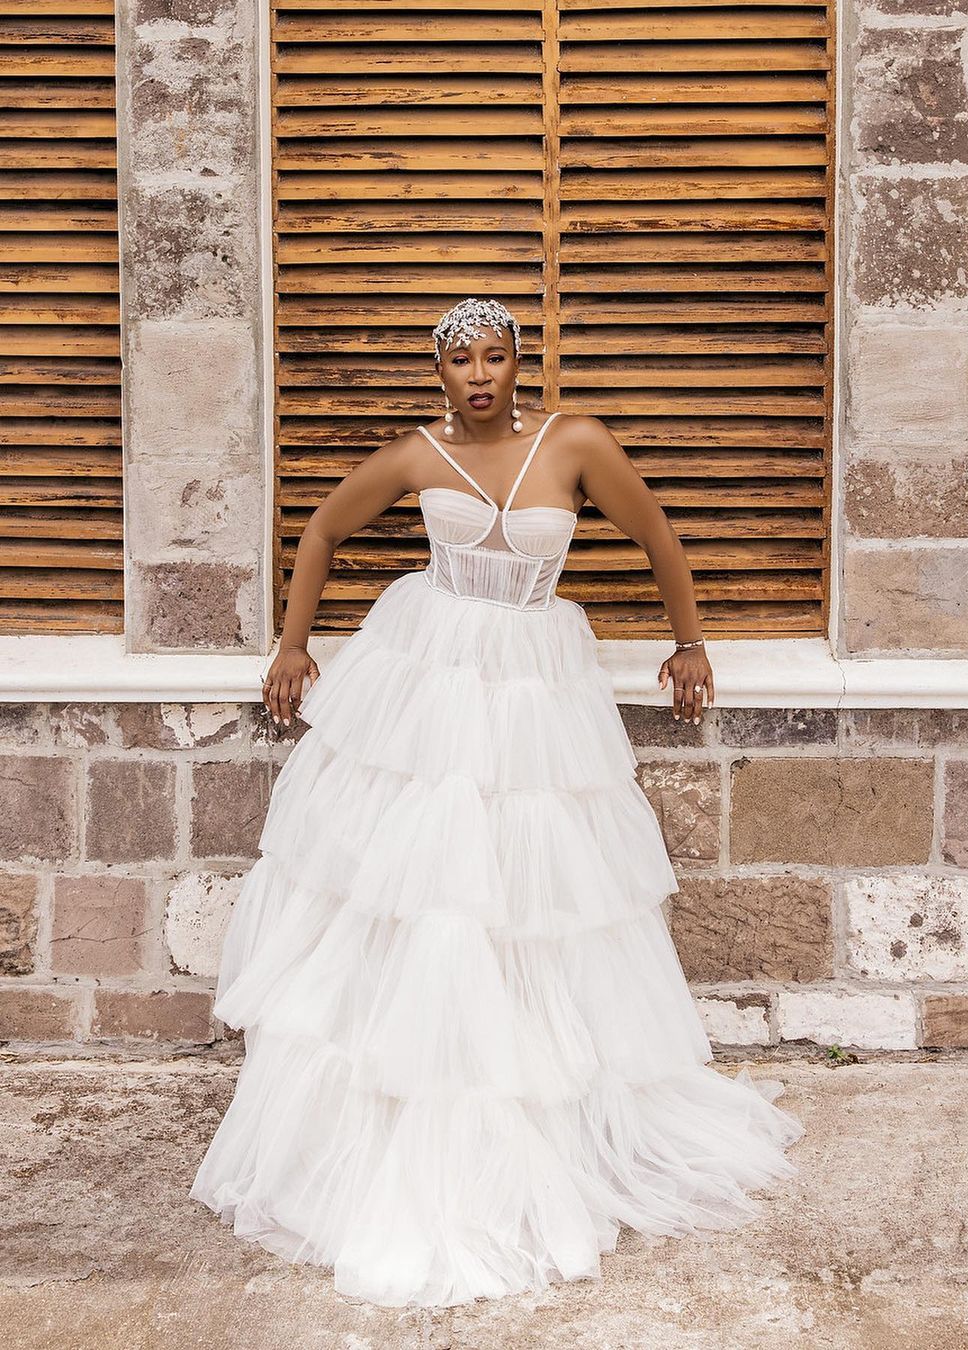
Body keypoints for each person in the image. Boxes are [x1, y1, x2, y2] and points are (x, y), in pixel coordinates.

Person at [189, 296, 804, 1309]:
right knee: (428, 885)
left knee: (532, 884)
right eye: (460, 360)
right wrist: (293, 645)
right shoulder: (416, 454)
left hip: (533, 683)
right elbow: (324, 528)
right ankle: (417, 1079)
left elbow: (656, 534)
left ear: (520, 363)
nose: (478, 374)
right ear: (439, 373)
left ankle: (534, 1084)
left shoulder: (576, 442)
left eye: (494, 356)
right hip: (431, 673)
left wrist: (691, 643)